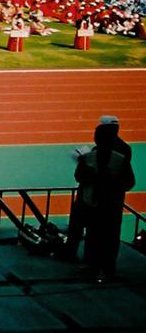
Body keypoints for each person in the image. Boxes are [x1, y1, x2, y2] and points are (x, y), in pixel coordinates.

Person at [62, 116, 134, 275]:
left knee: (99, 236)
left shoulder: (103, 157)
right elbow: (129, 182)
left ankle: (98, 266)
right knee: (103, 236)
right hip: (106, 204)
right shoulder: (119, 156)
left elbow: (127, 182)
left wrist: (105, 181)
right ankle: (101, 267)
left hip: (99, 203)